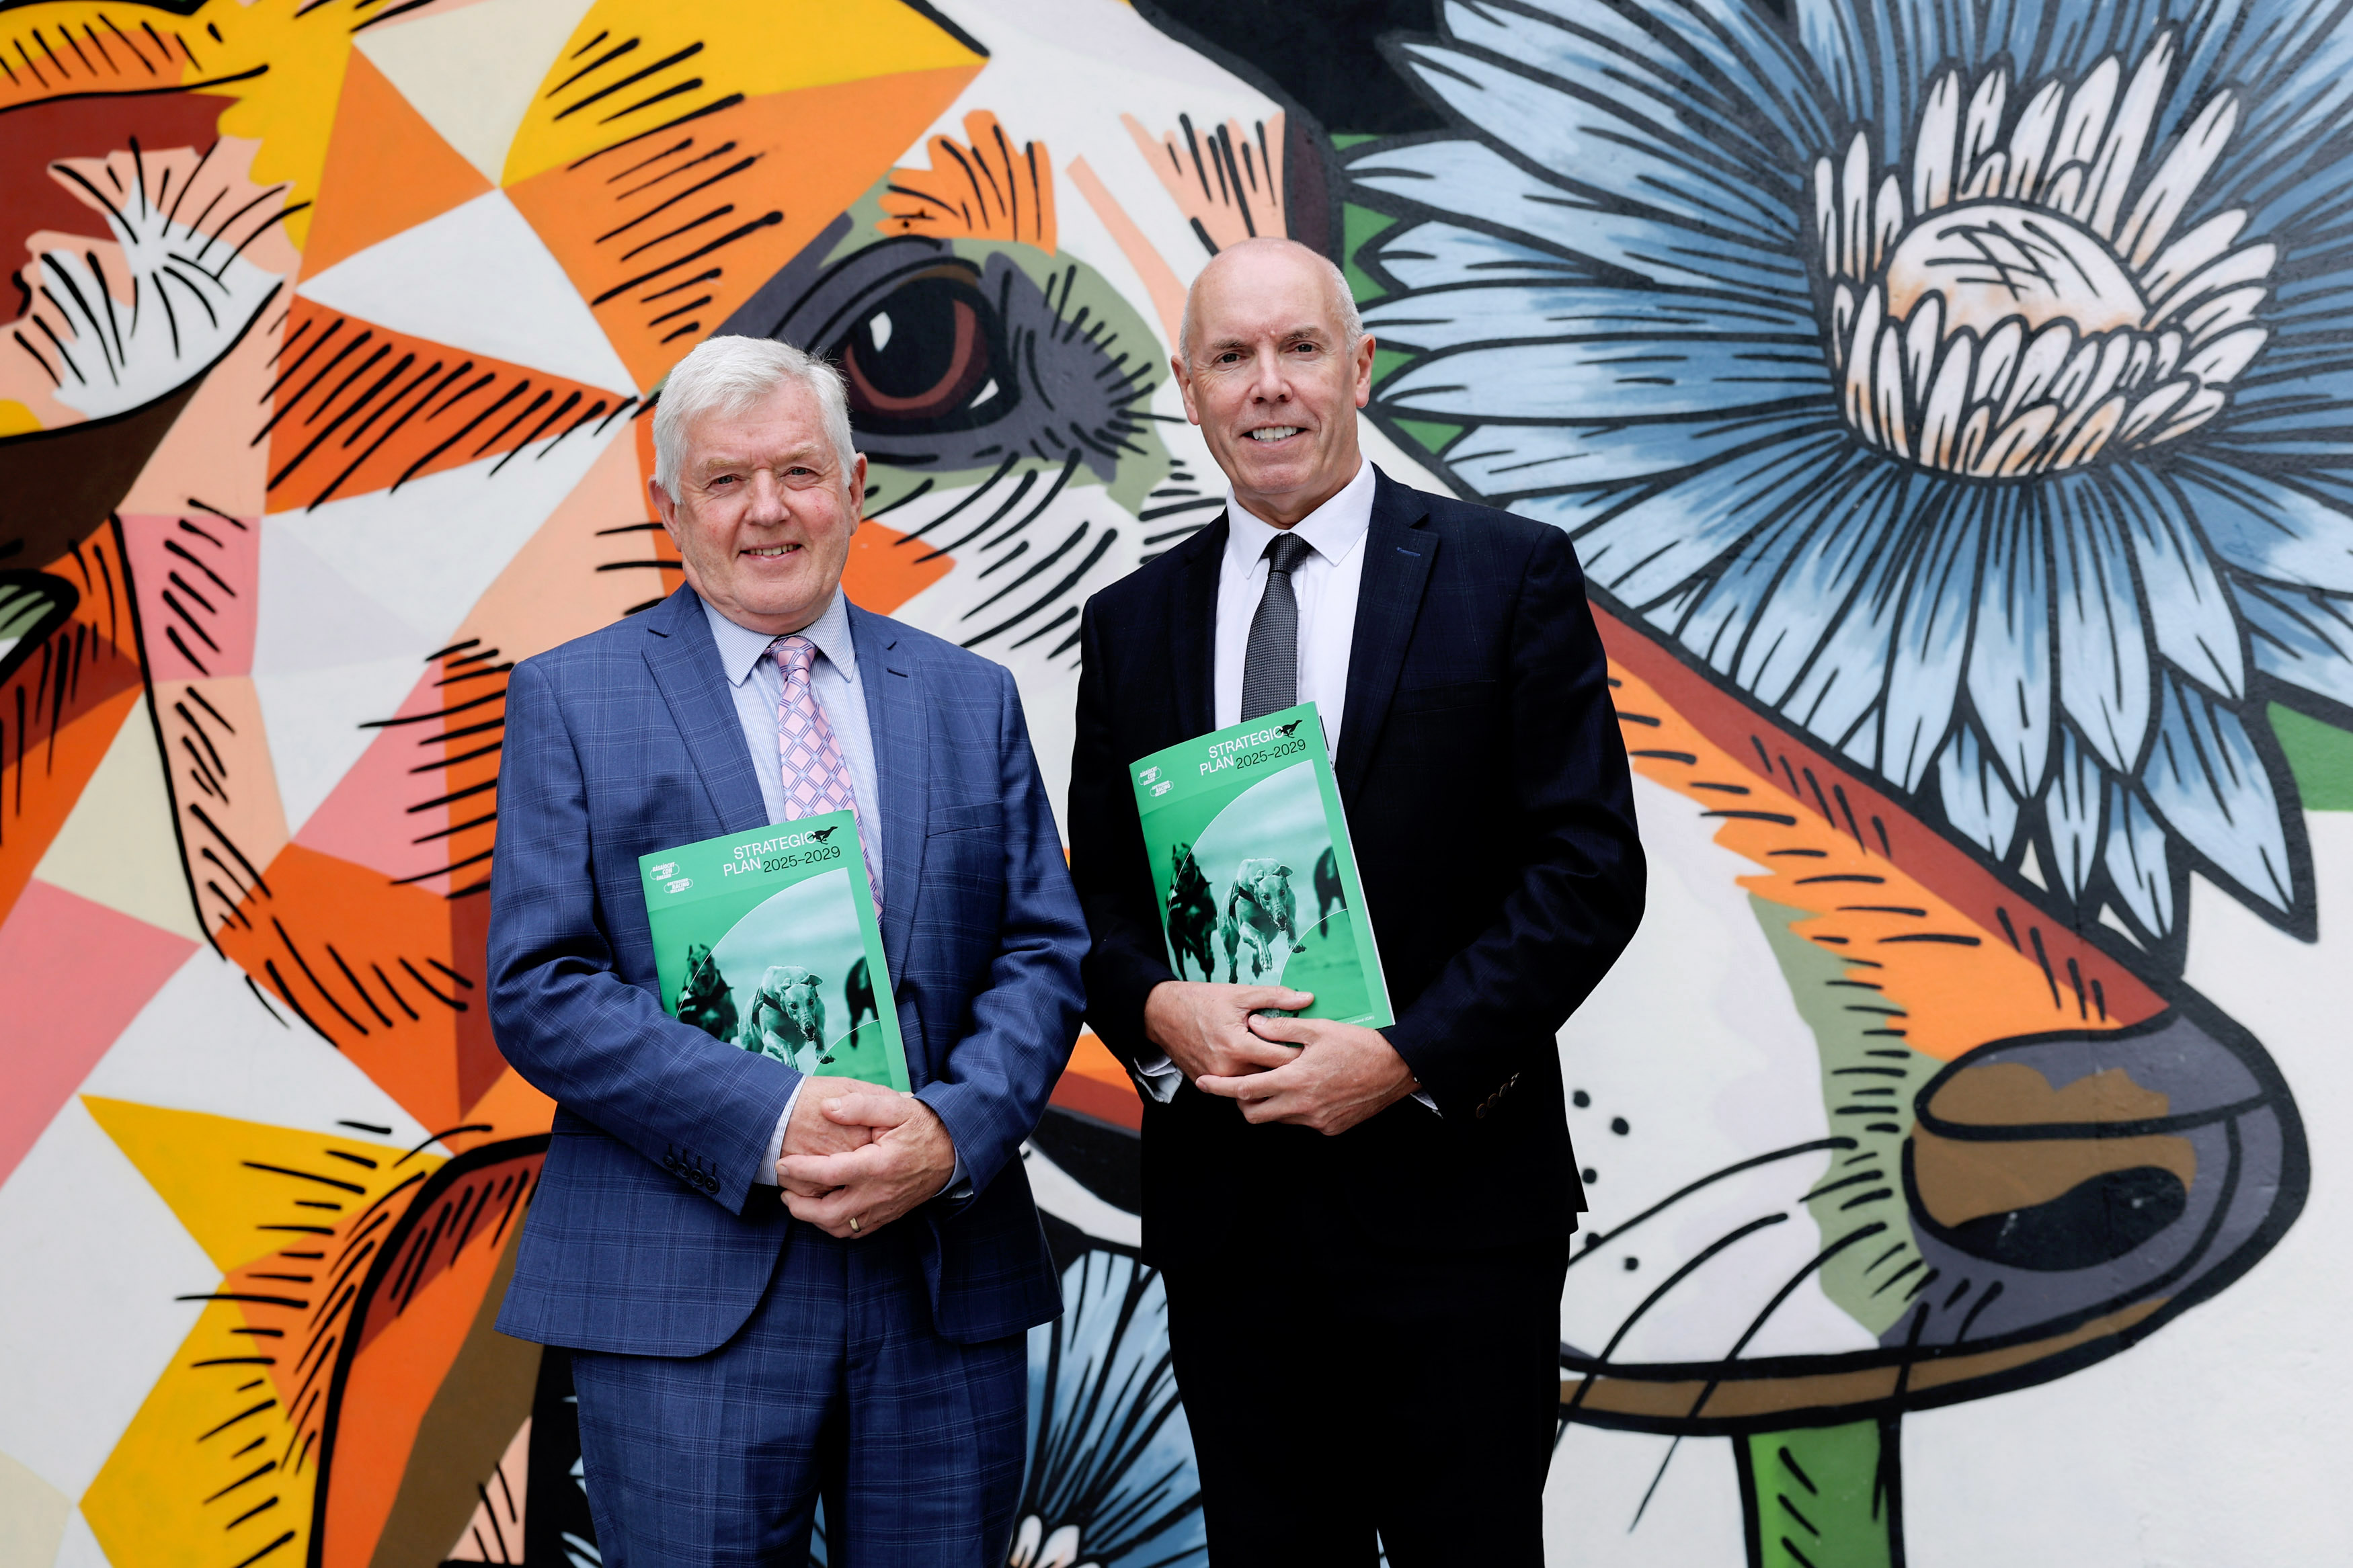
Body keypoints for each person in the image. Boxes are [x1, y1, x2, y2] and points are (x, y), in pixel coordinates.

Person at [1066, 237, 1646, 1565]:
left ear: (1359, 366)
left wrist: (1403, 1060)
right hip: (1229, 1223)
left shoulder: (1508, 575)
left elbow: (1587, 869)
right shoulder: (1132, 622)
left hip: (1455, 1205)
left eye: (1299, 349)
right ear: (1189, 388)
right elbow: (1091, 900)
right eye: (1231, 357)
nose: (1268, 387)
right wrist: (1158, 1010)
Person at [487, 335, 1086, 1566]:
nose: (768, 510)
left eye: (799, 472)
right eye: (725, 480)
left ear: (855, 485)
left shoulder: (969, 697)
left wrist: (951, 1134)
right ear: (669, 507)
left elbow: (1042, 951)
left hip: (939, 1277)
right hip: (685, 1282)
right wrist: (776, 1119)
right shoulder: (572, 699)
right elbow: (539, 986)